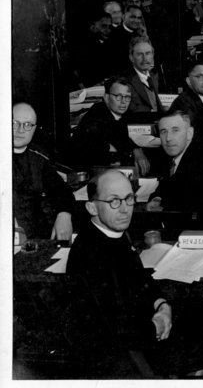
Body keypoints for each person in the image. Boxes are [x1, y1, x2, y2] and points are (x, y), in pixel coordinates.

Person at [67, 169, 173, 374]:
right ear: (92, 207)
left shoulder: (115, 231)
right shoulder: (90, 253)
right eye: (114, 201)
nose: (125, 209)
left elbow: (139, 276)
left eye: (129, 198)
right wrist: (156, 326)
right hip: (117, 358)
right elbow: (116, 329)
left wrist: (162, 305)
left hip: (135, 336)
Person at [146, 110, 203, 222]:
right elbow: (167, 186)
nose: (168, 138)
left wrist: (163, 205)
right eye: (163, 132)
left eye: (175, 130)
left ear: (189, 133)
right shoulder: (174, 156)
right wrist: (157, 198)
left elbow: (187, 205)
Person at [13, 102, 74, 240]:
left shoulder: (39, 158)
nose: (20, 130)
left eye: (28, 125)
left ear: (34, 129)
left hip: (35, 238)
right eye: (14, 123)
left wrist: (64, 214)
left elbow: (62, 191)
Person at [71, 76, 153, 174]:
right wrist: (135, 149)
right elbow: (114, 133)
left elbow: (119, 133)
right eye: (118, 96)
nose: (123, 101)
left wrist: (135, 149)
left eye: (127, 97)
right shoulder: (98, 112)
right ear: (106, 97)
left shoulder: (118, 112)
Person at [169, 61, 203, 143]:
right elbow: (192, 139)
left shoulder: (200, 98)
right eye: (200, 77)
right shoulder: (184, 105)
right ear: (189, 81)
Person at [123, 37, 164, 113]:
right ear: (131, 58)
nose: (145, 58)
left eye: (148, 53)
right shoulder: (125, 81)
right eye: (140, 54)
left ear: (153, 55)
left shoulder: (154, 77)